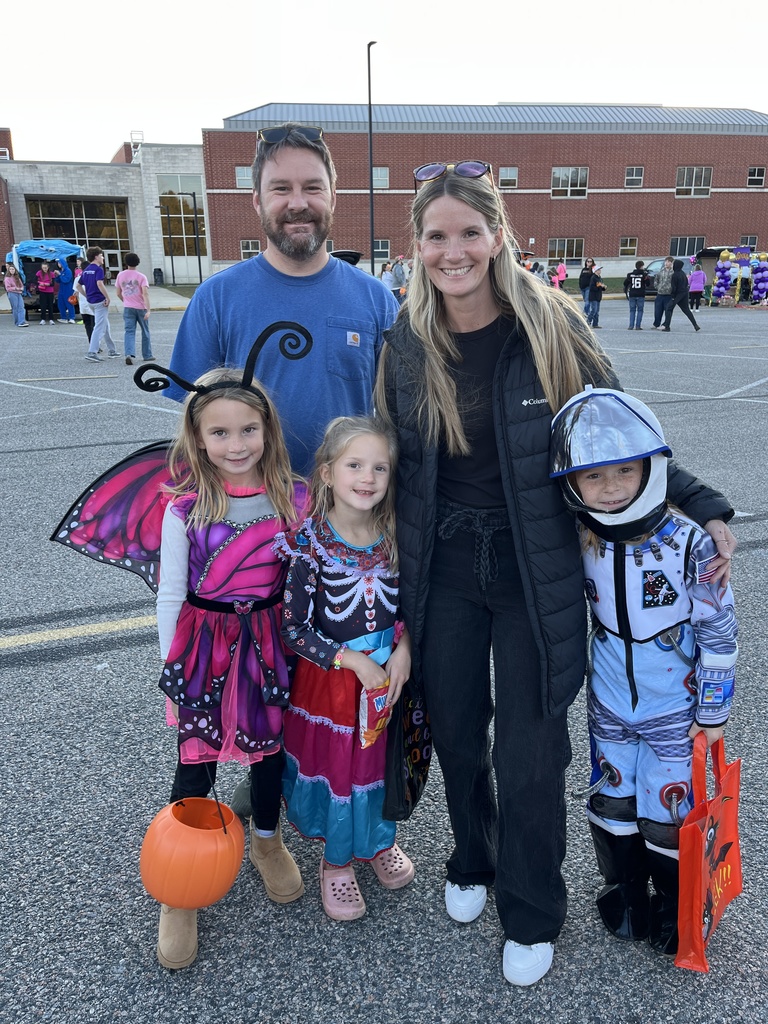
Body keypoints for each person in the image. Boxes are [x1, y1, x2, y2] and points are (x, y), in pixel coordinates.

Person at [373, 161, 736, 987]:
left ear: (498, 235)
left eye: (470, 232)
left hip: (539, 569)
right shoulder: (405, 339)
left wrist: (702, 501)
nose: (453, 250)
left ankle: (533, 908)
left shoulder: (551, 325)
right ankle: (474, 855)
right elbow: (390, 461)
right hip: (445, 567)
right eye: (437, 236)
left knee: (533, 750)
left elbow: (620, 437)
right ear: (419, 245)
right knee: (459, 730)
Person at [550, 386, 737, 955]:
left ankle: (675, 899)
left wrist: (712, 713)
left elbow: (718, 632)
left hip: (673, 707)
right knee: (612, 800)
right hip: (610, 701)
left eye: (624, 472)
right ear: (574, 484)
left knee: (668, 807)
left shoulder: (689, 545)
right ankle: (625, 888)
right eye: (594, 478)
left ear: (650, 469)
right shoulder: (579, 538)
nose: (609, 489)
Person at [167, 122, 399, 477]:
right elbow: (192, 427)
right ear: (258, 200)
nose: (298, 203)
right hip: (248, 518)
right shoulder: (216, 298)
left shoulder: (376, 299)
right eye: (281, 189)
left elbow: (399, 417)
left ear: (333, 196)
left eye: (312, 188)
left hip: (347, 516)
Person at [275, 416, 414, 920]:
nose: (369, 477)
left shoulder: (396, 533)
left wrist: (406, 651)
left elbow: (413, 608)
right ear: (327, 473)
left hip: (387, 681)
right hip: (332, 686)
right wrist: (351, 658)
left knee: (379, 767)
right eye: (355, 465)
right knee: (339, 769)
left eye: (381, 467)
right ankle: (336, 863)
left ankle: (377, 841)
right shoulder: (308, 544)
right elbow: (293, 630)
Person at [76, 246, 118, 360]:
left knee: (105, 324)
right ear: (96, 257)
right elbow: (100, 284)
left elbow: (78, 286)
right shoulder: (98, 269)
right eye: (101, 255)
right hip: (99, 301)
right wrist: (107, 297)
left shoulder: (86, 270)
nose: (103, 257)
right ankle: (92, 352)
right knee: (99, 327)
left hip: (91, 301)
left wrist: (86, 295)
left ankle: (112, 350)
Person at [115, 252, 153, 365]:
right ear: (137, 262)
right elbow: (145, 293)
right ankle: (147, 355)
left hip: (128, 307)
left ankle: (129, 353)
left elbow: (118, 293)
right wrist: (148, 309)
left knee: (129, 331)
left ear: (126, 262)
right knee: (145, 331)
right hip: (141, 307)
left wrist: (125, 300)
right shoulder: (141, 277)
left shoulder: (120, 275)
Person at [662, 259, 700, 332]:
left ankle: (667, 326)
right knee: (686, 310)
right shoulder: (683, 273)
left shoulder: (675, 275)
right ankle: (695, 325)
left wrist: (673, 297)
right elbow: (686, 284)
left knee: (668, 309)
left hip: (678, 294)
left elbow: (674, 287)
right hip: (685, 293)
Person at [623, 260, 649, 330]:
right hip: (640, 294)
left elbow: (625, 283)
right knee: (640, 310)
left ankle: (631, 325)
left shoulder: (630, 275)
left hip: (632, 294)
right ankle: (638, 326)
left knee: (632, 310)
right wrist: (647, 276)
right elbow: (648, 284)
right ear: (641, 266)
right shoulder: (644, 275)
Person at [652, 257, 674, 329]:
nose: (666, 263)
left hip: (668, 294)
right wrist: (657, 287)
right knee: (658, 310)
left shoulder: (673, 272)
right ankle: (656, 323)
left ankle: (665, 324)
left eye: (668, 262)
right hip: (660, 294)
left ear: (671, 263)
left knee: (668, 310)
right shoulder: (661, 271)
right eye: (666, 261)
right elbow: (656, 280)